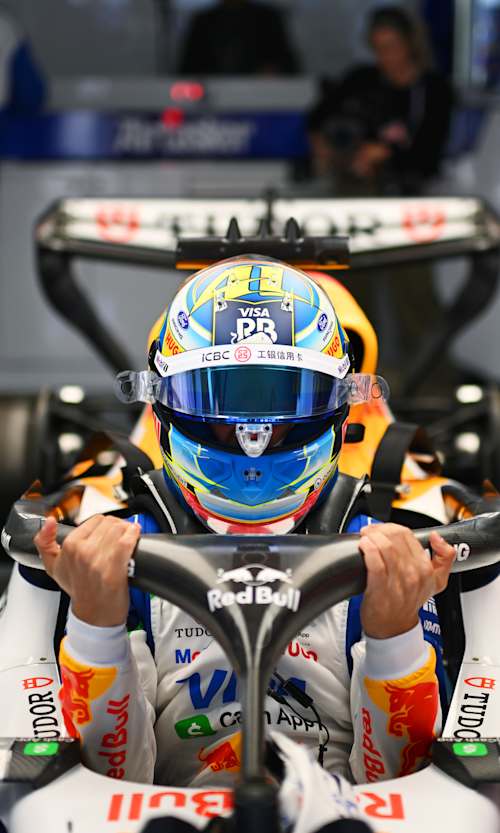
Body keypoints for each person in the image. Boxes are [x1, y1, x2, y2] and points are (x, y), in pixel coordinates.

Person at [34, 257, 455, 788]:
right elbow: (105, 787)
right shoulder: (121, 547)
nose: (252, 438)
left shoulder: (379, 551)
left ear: (338, 405)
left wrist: (393, 636)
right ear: (167, 402)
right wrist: (98, 626)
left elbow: (405, 789)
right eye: (220, 398)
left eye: (283, 396)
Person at [308, 5, 453, 195]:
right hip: (355, 184)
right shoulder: (361, 79)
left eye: (392, 46)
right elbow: (317, 117)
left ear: (410, 42)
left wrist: (384, 153)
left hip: (415, 188)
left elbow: (429, 153)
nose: (386, 56)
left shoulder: (434, 89)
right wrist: (324, 147)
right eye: (378, 48)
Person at [178, 0, 299, 76]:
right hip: (211, 102)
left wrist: (273, 71)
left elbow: (289, 67)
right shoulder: (202, 22)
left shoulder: (268, 19)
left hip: (261, 100)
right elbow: (186, 70)